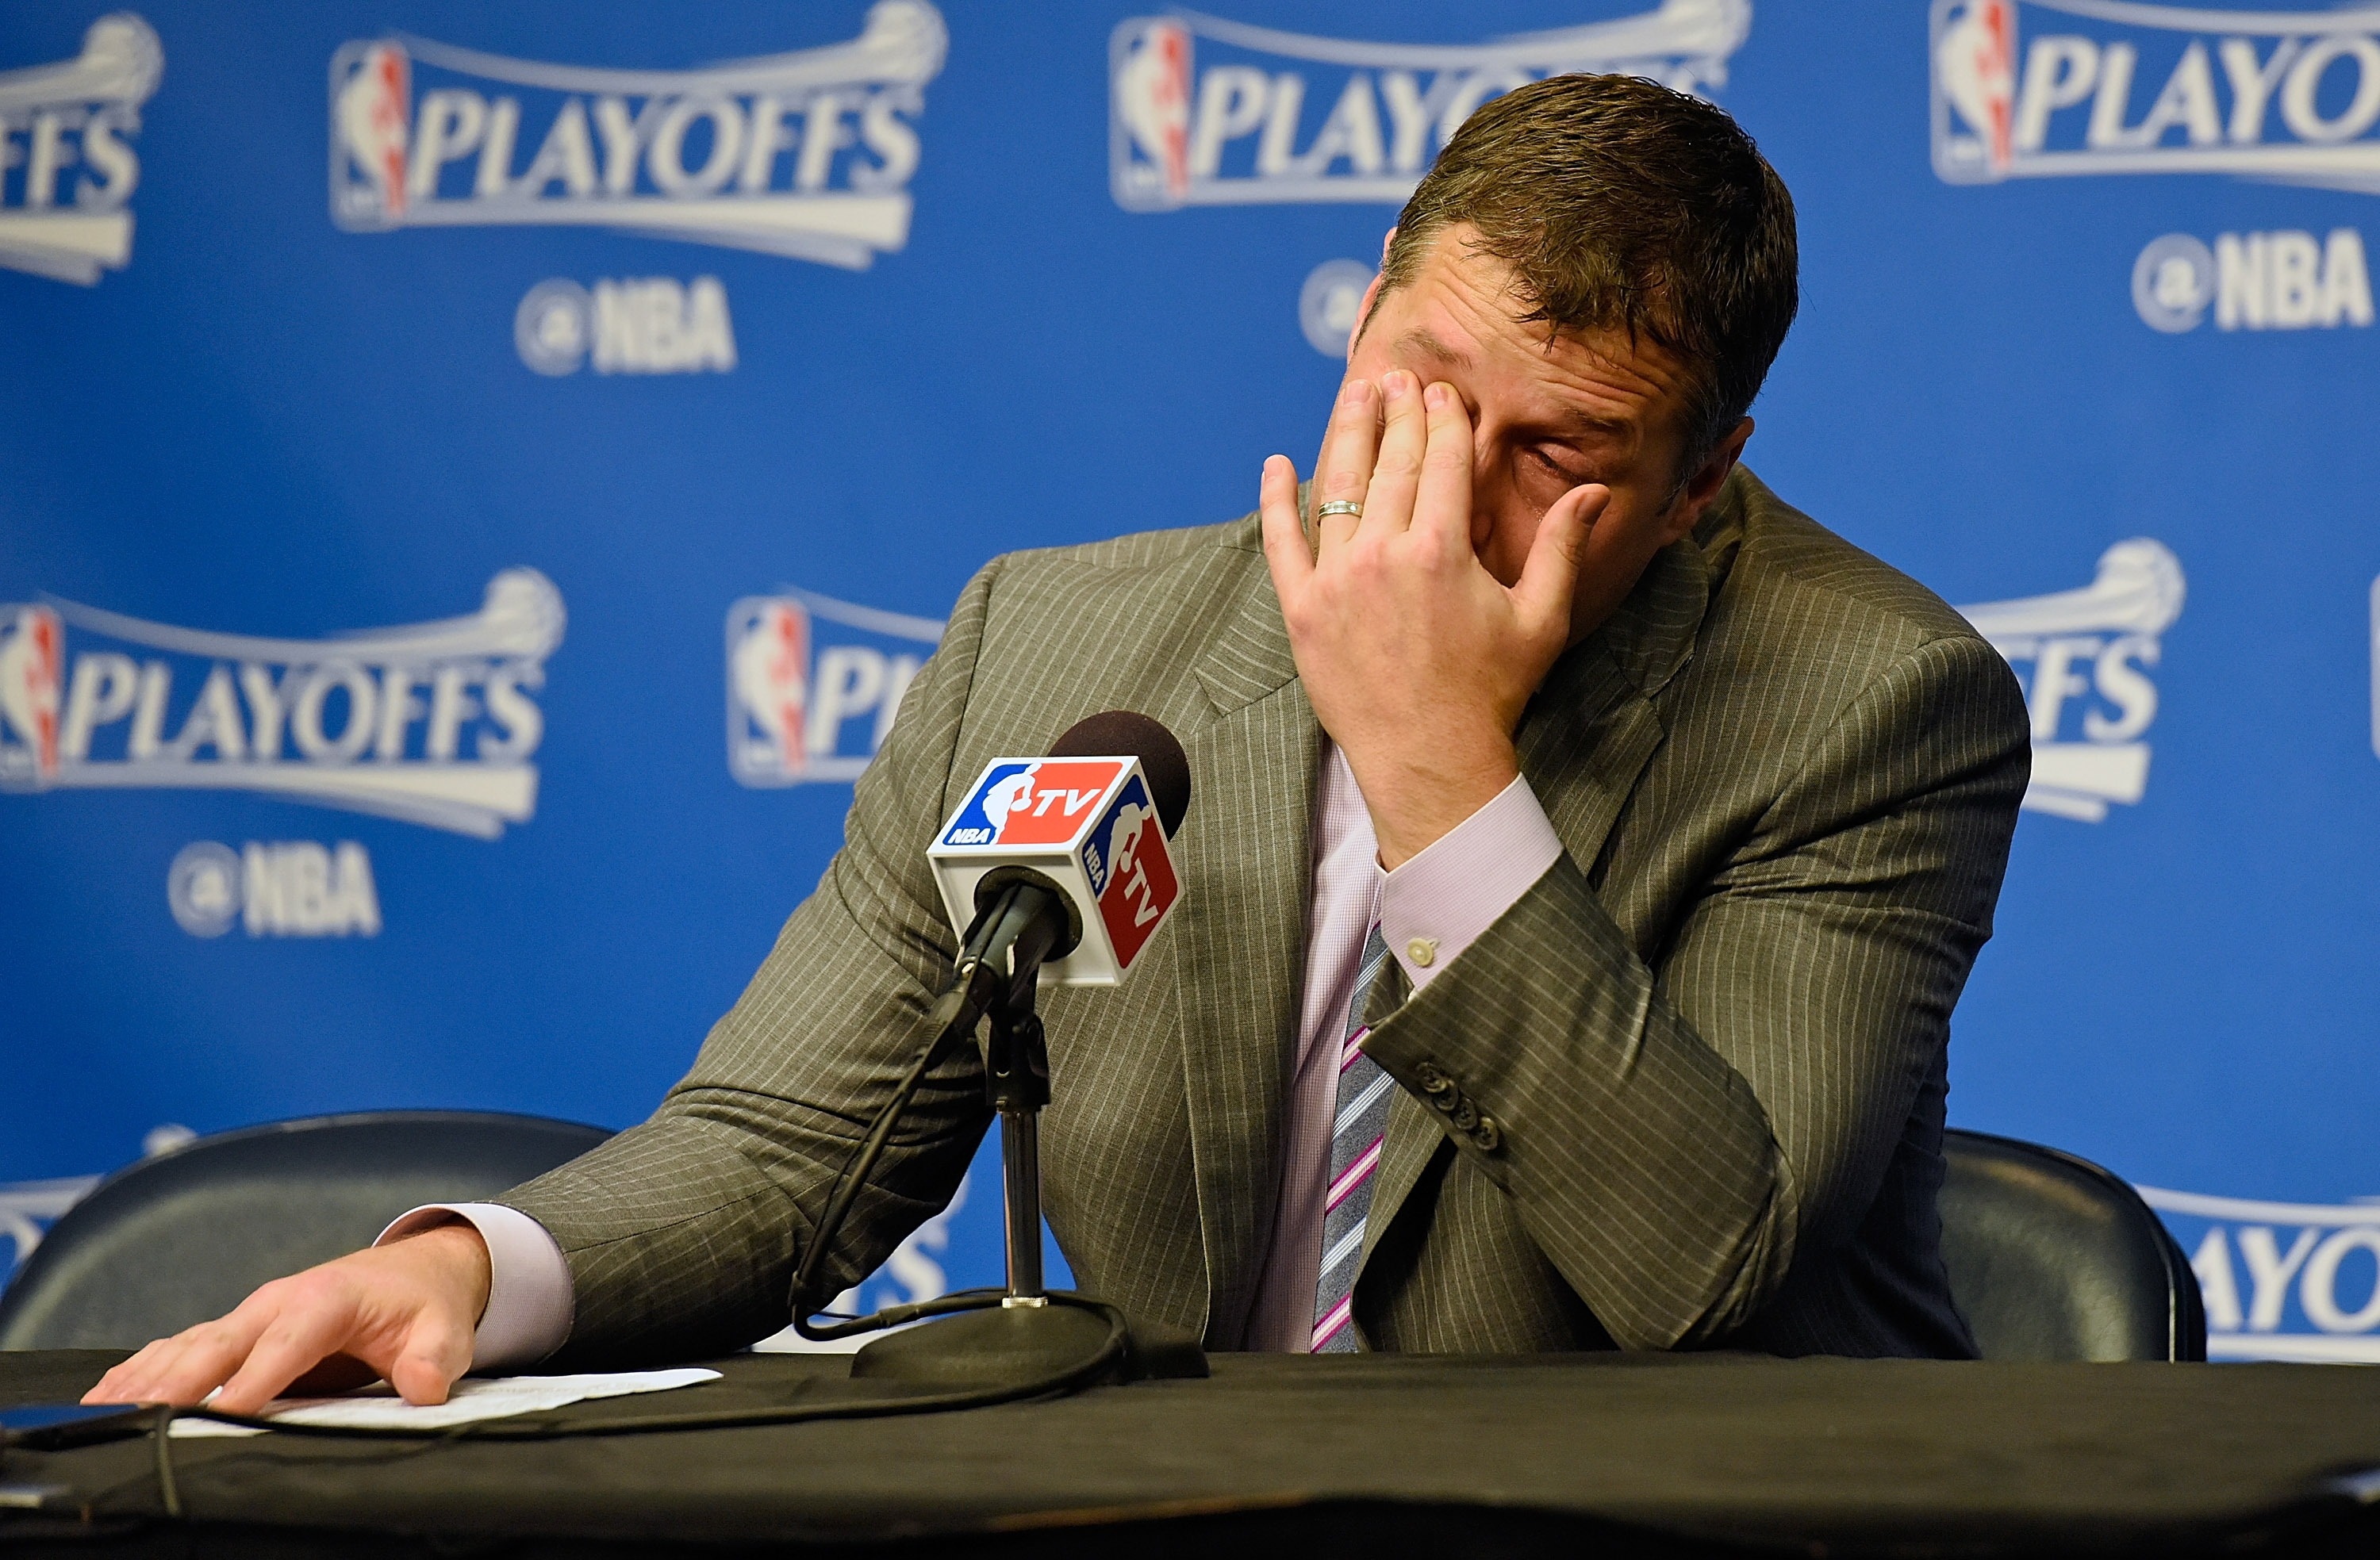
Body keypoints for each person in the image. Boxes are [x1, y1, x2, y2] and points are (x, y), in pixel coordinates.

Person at [89, 72, 2028, 1412]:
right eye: (1418, 392)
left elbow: (1704, 1270)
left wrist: (1439, 752)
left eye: (1562, 457)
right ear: (1361, 319)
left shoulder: (1867, 705)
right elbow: (791, 1153)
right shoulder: (1066, 639)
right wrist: (475, 1276)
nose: (1441, 503)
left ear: (1703, 486)